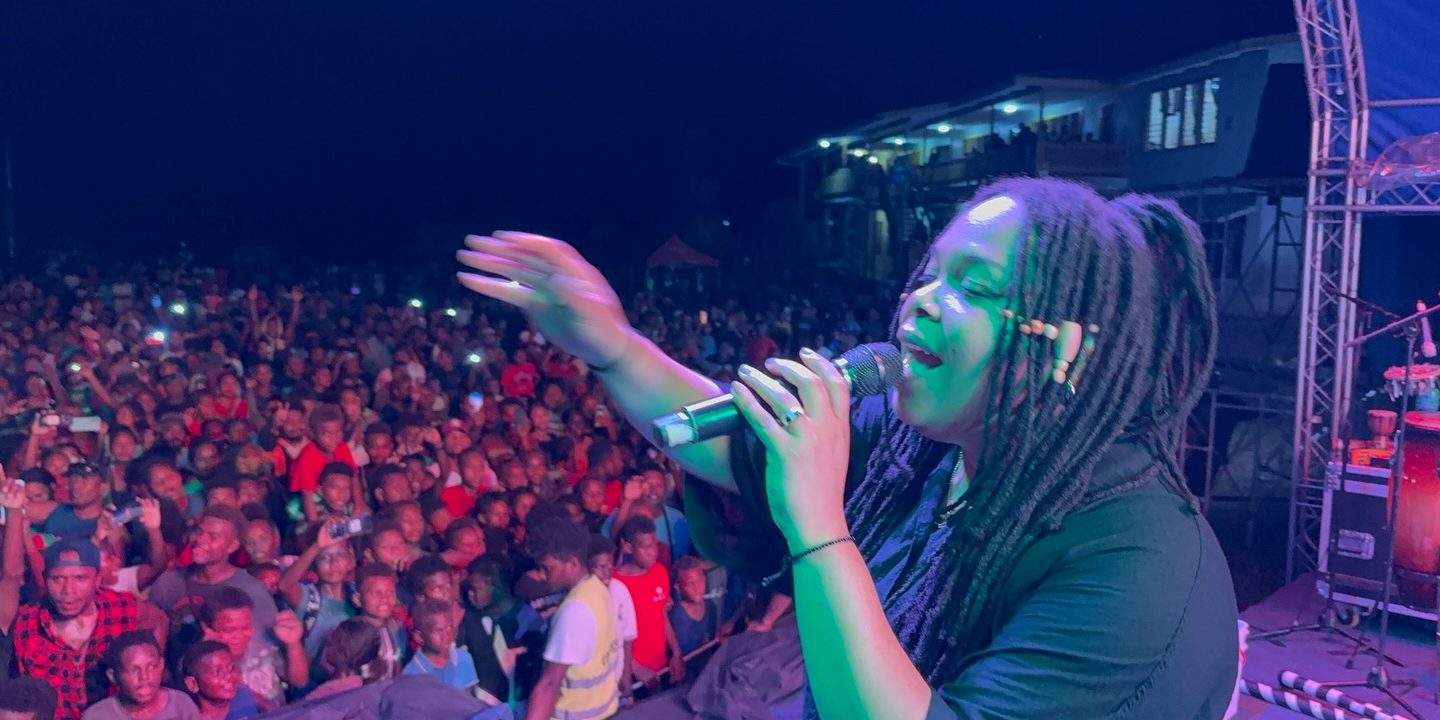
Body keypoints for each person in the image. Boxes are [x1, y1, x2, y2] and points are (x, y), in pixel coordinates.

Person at [456, 182, 1238, 720]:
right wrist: (615, 346)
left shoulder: (1139, 564)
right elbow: (734, 453)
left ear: (1063, 346)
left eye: (976, 286)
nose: (926, 296)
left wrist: (821, 529)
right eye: (930, 271)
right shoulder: (921, 446)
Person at [7, 534, 140, 720]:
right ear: (45, 579)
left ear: (97, 579)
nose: (68, 590)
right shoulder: (26, 622)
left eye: (80, 578)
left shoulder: (123, 609)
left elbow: (159, 621)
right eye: (58, 579)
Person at [522, 518, 619, 720]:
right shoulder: (597, 588)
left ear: (573, 564)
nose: (542, 575)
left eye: (548, 568)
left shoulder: (575, 610)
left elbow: (549, 684)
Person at [195, 587, 307, 713]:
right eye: (229, 630)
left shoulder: (264, 638)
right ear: (207, 629)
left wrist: (293, 644)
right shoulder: (201, 663)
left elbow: (299, 682)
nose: (240, 636)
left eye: (246, 627)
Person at [611, 517, 684, 688]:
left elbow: (661, 614)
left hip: (662, 668)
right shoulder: (614, 584)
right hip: (631, 677)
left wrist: (675, 651)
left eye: (655, 545)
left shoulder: (660, 572)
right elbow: (611, 636)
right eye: (646, 547)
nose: (654, 552)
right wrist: (636, 668)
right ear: (628, 547)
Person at [82, 631, 201, 720]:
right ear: (113, 676)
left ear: (161, 666)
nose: (144, 677)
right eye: (134, 670)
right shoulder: (97, 716)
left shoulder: (180, 704)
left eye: (151, 667)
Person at [587, 535, 637, 703]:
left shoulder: (620, 590)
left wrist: (627, 676)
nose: (607, 572)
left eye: (610, 565)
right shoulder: (582, 597)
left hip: (616, 677)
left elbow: (628, 638)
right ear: (588, 567)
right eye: (601, 567)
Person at [403, 599, 482, 699]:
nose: (447, 635)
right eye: (439, 631)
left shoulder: (463, 658)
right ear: (419, 637)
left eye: (450, 627)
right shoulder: (411, 675)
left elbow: (470, 701)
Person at [353, 562, 407, 681]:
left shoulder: (392, 627)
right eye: (376, 593)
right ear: (357, 599)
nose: (384, 598)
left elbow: (396, 664)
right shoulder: (351, 633)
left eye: (390, 593)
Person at [180, 641, 259, 720]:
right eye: (216, 672)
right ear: (192, 684)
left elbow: (270, 713)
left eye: (231, 668)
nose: (228, 676)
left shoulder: (244, 696)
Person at [307, 618, 381, 700]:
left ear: (344, 654)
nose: (326, 641)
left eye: (329, 644)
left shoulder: (327, 692)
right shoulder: (363, 689)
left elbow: (298, 711)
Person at [667, 556, 716, 677]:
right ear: (678, 588)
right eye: (690, 584)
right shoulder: (677, 616)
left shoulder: (710, 607)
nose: (697, 588)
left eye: (700, 581)